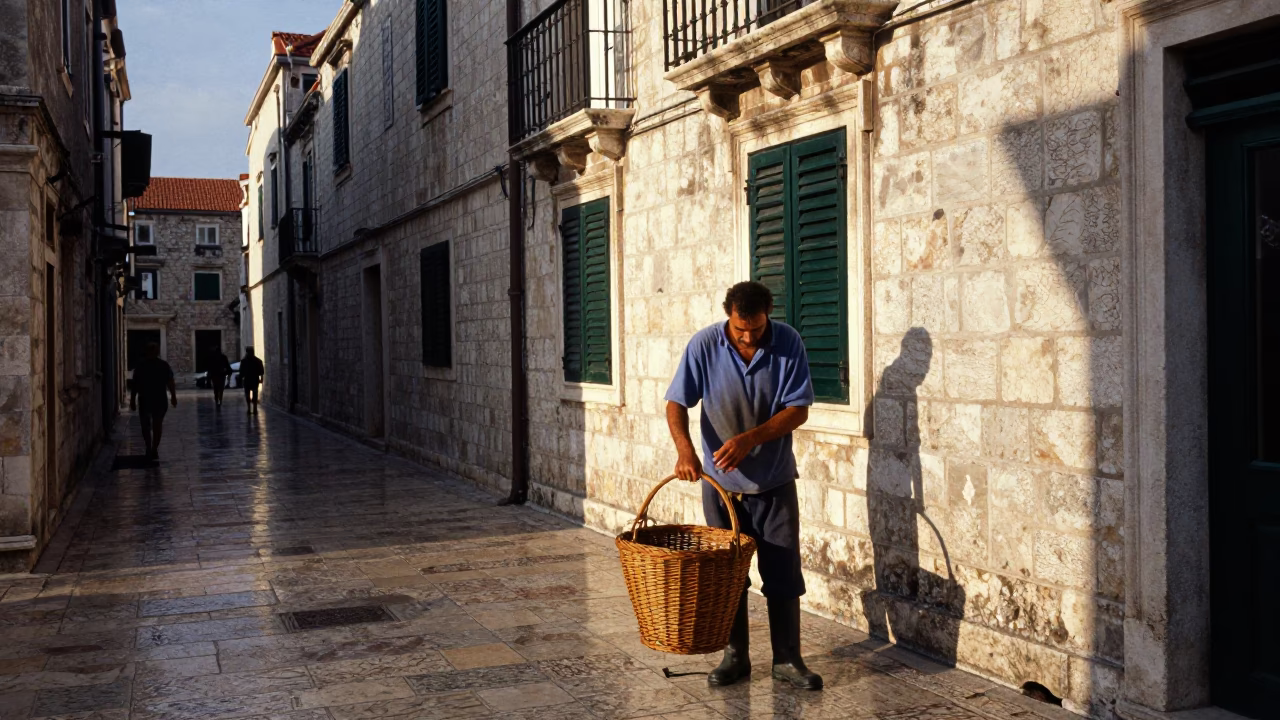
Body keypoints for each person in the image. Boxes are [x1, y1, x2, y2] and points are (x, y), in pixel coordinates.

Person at [664, 281, 822, 690]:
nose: (748, 337)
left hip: (775, 484)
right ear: (729, 317)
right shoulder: (703, 345)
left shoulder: (789, 343)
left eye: (755, 329)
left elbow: (798, 411)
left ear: (769, 311)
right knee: (728, 575)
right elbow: (676, 403)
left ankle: (787, 659)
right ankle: (735, 657)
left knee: (783, 573)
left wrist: (749, 439)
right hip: (721, 489)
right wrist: (685, 452)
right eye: (740, 330)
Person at [129, 342, 177, 461]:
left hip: (146, 399)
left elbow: (134, 385)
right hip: (158, 398)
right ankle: (153, 448)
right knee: (157, 425)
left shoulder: (141, 366)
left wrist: (132, 400)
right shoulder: (163, 365)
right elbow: (170, 382)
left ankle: (149, 447)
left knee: (146, 425)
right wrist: (173, 396)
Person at [238, 347, 264, 413]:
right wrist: (261, 379)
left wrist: (241, 379)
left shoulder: (244, 361)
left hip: (248, 380)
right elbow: (261, 372)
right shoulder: (258, 361)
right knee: (254, 394)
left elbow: (241, 372)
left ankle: (250, 408)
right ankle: (253, 408)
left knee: (248, 394)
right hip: (254, 380)